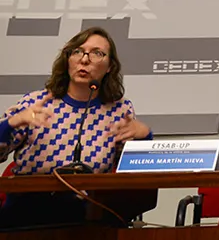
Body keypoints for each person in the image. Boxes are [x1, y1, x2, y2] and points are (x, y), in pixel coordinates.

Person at [0, 26, 152, 229]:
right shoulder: (36, 102)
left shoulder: (119, 110)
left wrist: (144, 137)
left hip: (91, 213)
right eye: (78, 51)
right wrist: (11, 123)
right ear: (68, 60)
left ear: (109, 67)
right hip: (29, 211)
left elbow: (135, 174)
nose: (85, 59)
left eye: (97, 53)